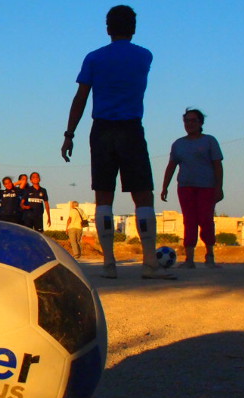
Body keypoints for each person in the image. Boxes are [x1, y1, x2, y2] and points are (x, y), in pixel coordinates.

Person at [60, 5, 174, 279]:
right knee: (143, 194)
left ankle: (109, 263)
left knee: (103, 196)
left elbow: (81, 98)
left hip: (101, 129)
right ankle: (150, 263)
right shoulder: (144, 56)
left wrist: (69, 133)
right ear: (133, 28)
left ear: (107, 28)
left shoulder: (94, 58)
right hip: (131, 128)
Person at [160, 108, 224, 269]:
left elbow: (218, 165)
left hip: (206, 187)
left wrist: (219, 187)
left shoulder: (210, 141)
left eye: (193, 120)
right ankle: (189, 258)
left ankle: (210, 254)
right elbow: (171, 166)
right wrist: (164, 186)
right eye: (186, 121)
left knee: (205, 219)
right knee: (189, 221)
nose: (189, 124)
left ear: (200, 123)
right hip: (185, 187)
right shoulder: (178, 144)